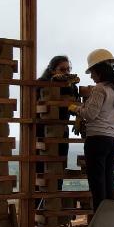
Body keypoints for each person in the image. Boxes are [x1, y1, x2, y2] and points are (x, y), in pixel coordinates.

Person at [69, 49, 114, 212]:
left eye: (92, 72)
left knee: (97, 184)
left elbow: (90, 114)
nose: (91, 76)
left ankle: (100, 219)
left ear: (99, 70)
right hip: (113, 141)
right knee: (107, 181)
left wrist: (76, 109)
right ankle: (110, 219)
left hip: (97, 141)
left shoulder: (99, 89)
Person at [36, 56, 79, 198]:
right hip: (42, 133)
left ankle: (54, 201)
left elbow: (74, 108)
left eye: (68, 69)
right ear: (52, 70)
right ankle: (37, 206)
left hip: (61, 133)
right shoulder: (41, 83)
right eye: (62, 69)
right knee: (40, 170)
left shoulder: (71, 86)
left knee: (58, 169)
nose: (66, 72)